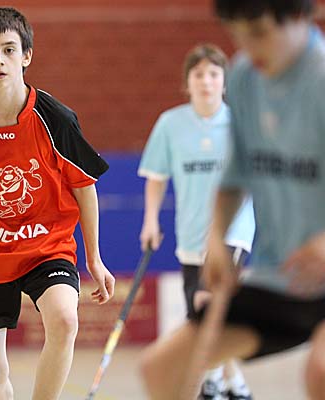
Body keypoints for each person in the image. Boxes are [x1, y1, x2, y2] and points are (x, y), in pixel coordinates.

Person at [139, 0, 325, 399]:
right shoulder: (244, 78)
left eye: (258, 33)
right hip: (282, 276)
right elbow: (234, 178)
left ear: (299, 16)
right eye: (237, 33)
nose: (248, 47)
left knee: (321, 371)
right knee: (161, 369)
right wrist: (217, 237)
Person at [0, 7, 115, 400]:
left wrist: (95, 258)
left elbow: (85, 188)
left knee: (64, 320)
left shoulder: (56, 119)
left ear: (26, 56)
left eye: (9, 50)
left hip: (47, 245)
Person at [138, 43, 255, 400]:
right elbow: (156, 177)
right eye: (199, 74)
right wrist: (150, 221)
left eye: (213, 74)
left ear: (224, 82)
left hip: (233, 232)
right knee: (203, 311)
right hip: (191, 235)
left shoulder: (241, 124)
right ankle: (236, 384)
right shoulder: (171, 124)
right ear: (187, 82)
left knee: (210, 302)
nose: (206, 81)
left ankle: (212, 382)